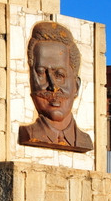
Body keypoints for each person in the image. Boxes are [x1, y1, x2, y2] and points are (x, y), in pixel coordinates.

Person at [18, 21, 93, 152]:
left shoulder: (84, 140)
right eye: (41, 72)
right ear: (30, 80)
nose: (53, 87)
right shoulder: (28, 133)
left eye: (60, 75)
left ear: (76, 86)